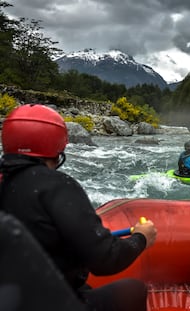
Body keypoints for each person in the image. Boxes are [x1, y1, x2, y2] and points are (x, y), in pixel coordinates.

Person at [0, 104, 158, 311]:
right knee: (134, 290)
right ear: (56, 147)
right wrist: (141, 238)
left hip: (12, 298)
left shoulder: (4, 182)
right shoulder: (56, 185)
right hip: (46, 302)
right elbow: (105, 260)